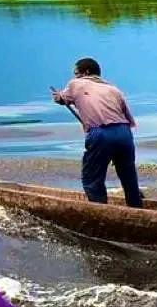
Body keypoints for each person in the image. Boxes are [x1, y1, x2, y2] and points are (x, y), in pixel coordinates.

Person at [51, 57, 143, 207]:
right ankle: (136, 207)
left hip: (101, 133)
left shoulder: (76, 84)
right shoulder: (114, 89)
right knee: (128, 176)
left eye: (76, 73)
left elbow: (62, 98)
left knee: (91, 179)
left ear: (86, 72)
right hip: (124, 133)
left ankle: (101, 210)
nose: (75, 77)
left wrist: (58, 98)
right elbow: (128, 118)